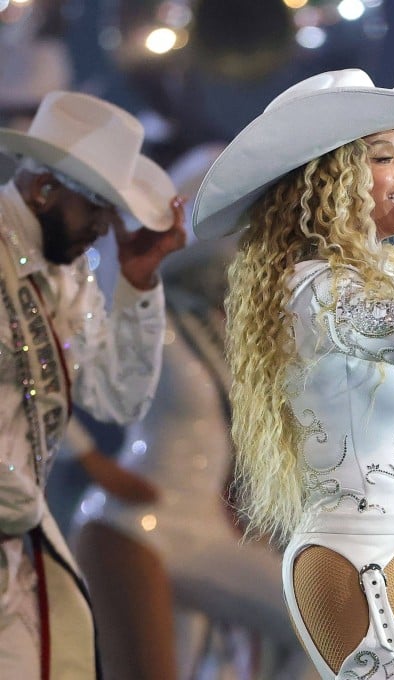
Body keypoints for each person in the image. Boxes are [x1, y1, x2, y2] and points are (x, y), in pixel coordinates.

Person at [190, 68, 394, 679]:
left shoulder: (385, 279)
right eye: (382, 159)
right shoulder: (307, 286)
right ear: (330, 180)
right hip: (354, 551)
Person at [68, 143, 316, 680]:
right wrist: (90, 458)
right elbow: (54, 370)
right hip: (134, 521)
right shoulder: (148, 319)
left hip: (203, 530)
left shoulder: (232, 338)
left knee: (328, 634)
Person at [0, 91, 185, 678]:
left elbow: (116, 397)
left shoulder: (71, 272)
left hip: (19, 537)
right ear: (44, 189)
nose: (105, 228)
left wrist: (137, 285)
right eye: (95, 208)